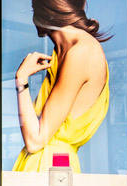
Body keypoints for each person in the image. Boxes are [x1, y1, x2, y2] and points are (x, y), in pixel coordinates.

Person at [12, 0, 111, 173]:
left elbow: (35, 141)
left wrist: (21, 80)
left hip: (52, 168)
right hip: (49, 166)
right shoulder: (64, 52)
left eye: (34, 9)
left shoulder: (81, 52)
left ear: (47, 10)